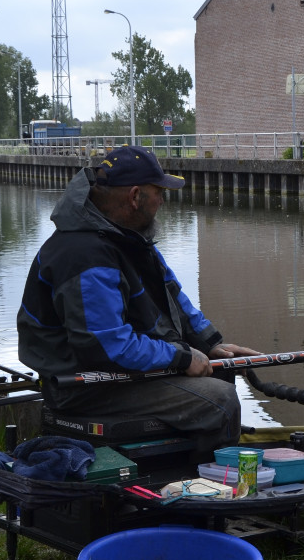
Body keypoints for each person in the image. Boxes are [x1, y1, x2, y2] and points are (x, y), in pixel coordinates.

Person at [17, 145, 259, 449]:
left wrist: (211, 345)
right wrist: (180, 357)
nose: (162, 201)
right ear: (135, 197)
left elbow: (173, 296)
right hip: (86, 385)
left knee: (221, 374)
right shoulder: (84, 255)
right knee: (219, 401)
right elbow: (106, 346)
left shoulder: (128, 238)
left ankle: (198, 464)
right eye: (158, 192)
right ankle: (210, 486)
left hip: (119, 370)